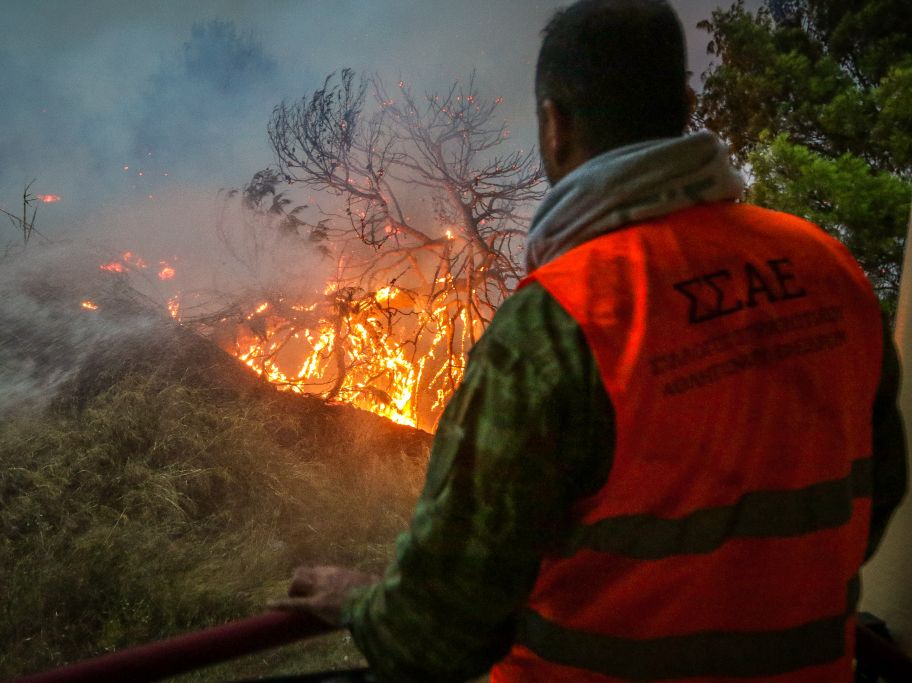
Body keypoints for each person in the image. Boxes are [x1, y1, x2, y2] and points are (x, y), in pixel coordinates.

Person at [273, 1, 908, 680]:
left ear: (555, 123)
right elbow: (878, 498)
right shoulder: (828, 268)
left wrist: (359, 600)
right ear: (686, 105)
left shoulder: (558, 323)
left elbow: (435, 636)